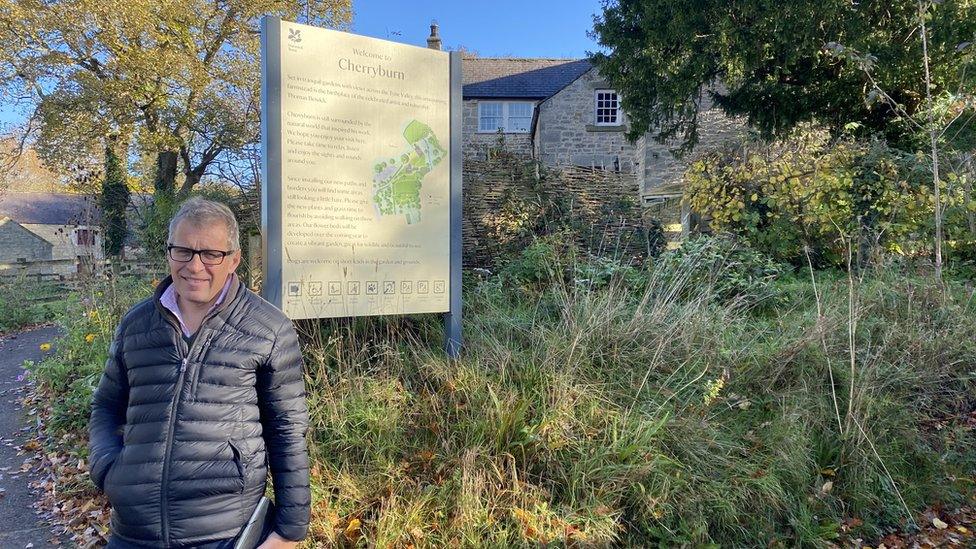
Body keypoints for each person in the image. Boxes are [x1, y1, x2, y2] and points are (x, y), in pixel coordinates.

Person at [88, 198, 310, 548]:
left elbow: (287, 430)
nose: (195, 265)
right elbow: (105, 405)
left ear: (234, 259)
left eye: (211, 254)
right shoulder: (136, 324)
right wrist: (108, 469)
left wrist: (289, 531)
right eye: (183, 251)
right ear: (169, 253)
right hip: (133, 532)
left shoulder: (269, 329)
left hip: (222, 531)